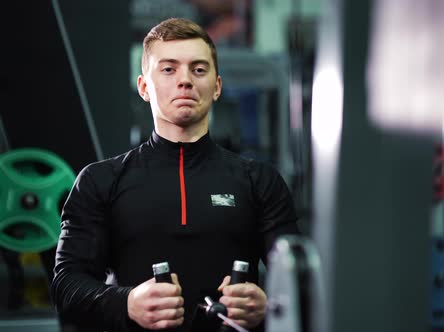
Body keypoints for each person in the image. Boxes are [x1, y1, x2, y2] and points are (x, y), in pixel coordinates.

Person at [50, 17, 300, 332]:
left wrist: (268, 303)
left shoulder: (259, 181)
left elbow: (300, 282)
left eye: (198, 69)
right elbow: (66, 288)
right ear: (143, 87)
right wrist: (126, 302)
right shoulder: (100, 180)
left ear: (217, 86)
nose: (185, 80)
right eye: (168, 69)